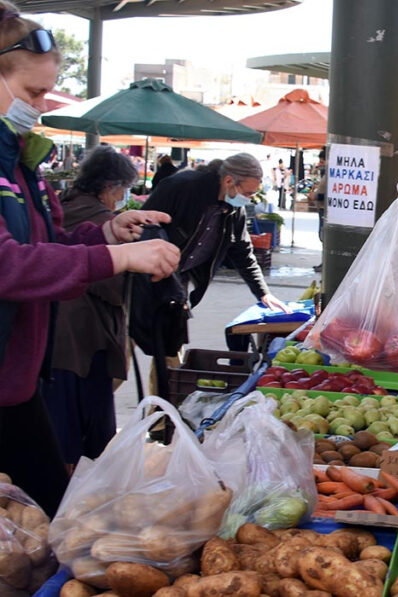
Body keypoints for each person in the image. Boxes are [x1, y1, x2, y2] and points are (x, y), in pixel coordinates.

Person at [0, 2, 180, 514]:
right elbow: (7, 264)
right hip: (13, 379)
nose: (37, 106)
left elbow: (46, 244)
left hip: (18, 379)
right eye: (31, 93)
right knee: (43, 523)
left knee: (46, 520)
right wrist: (117, 260)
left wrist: (106, 234)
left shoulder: (19, 163)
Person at [44, 145, 138, 468]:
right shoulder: (101, 219)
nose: (123, 196)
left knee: (60, 420)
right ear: (109, 187)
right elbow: (109, 282)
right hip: (84, 335)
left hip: (55, 335)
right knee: (84, 427)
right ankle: (76, 492)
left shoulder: (62, 206)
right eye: (123, 190)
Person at [142, 153, 288, 313]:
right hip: (147, 273)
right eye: (247, 193)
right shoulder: (182, 186)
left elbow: (242, 252)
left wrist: (263, 293)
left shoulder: (235, 209)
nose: (248, 199)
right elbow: (143, 225)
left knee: (173, 331)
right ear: (228, 181)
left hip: (178, 278)